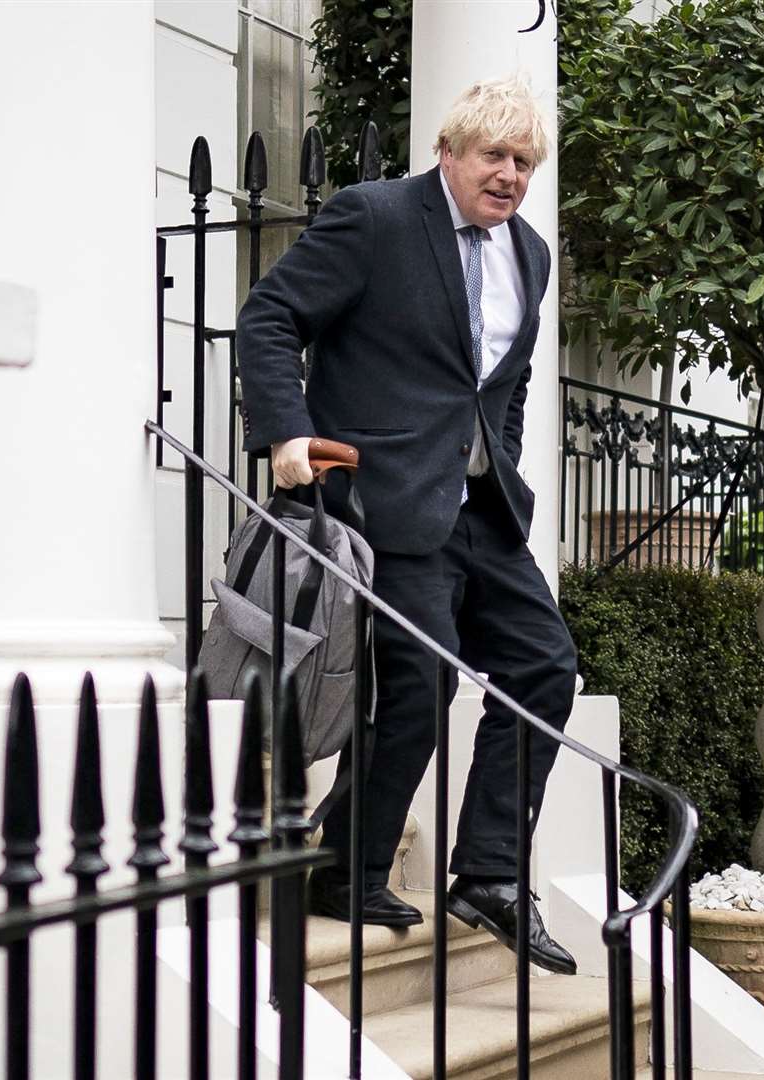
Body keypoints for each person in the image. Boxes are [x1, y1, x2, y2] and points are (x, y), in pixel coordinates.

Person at [236, 76, 578, 975]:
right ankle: (347, 867)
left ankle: (490, 875)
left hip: (479, 508)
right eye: (495, 158)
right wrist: (285, 429)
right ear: (450, 153)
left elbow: (504, 383)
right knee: (417, 685)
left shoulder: (530, 255)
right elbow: (270, 316)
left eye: (525, 163)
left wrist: (499, 459)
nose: (509, 177)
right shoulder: (375, 217)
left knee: (544, 664)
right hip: (383, 497)